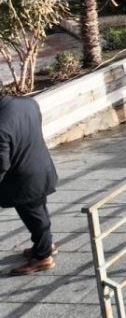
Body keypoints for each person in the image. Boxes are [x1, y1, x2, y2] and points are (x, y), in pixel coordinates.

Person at [0, 96, 59, 275]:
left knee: (34, 215)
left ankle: (43, 258)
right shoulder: (28, 103)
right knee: (39, 211)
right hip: (41, 165)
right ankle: (45, 245)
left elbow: (2, 164)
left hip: (23, 179)